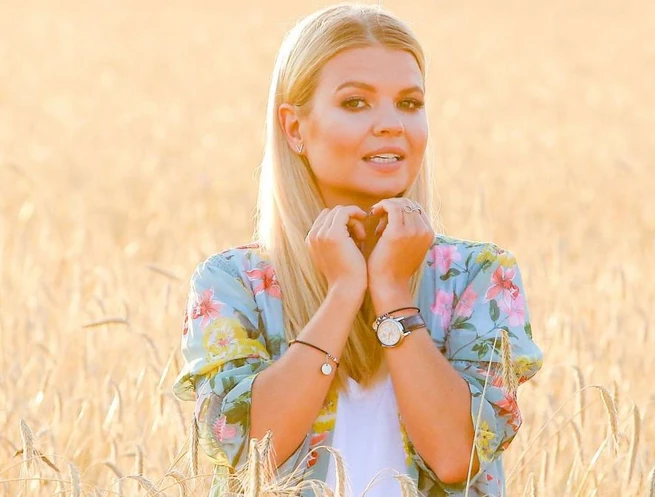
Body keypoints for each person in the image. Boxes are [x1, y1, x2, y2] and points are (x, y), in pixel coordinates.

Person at [173, 3, 543, 496]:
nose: (391, 124)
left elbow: (457, 455)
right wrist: (343, 292)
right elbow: (252, 452)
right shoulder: (233, 284)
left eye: (409, 103)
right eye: (355, 103)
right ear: (295, 128)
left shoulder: (478, 278)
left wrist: (391, 293)